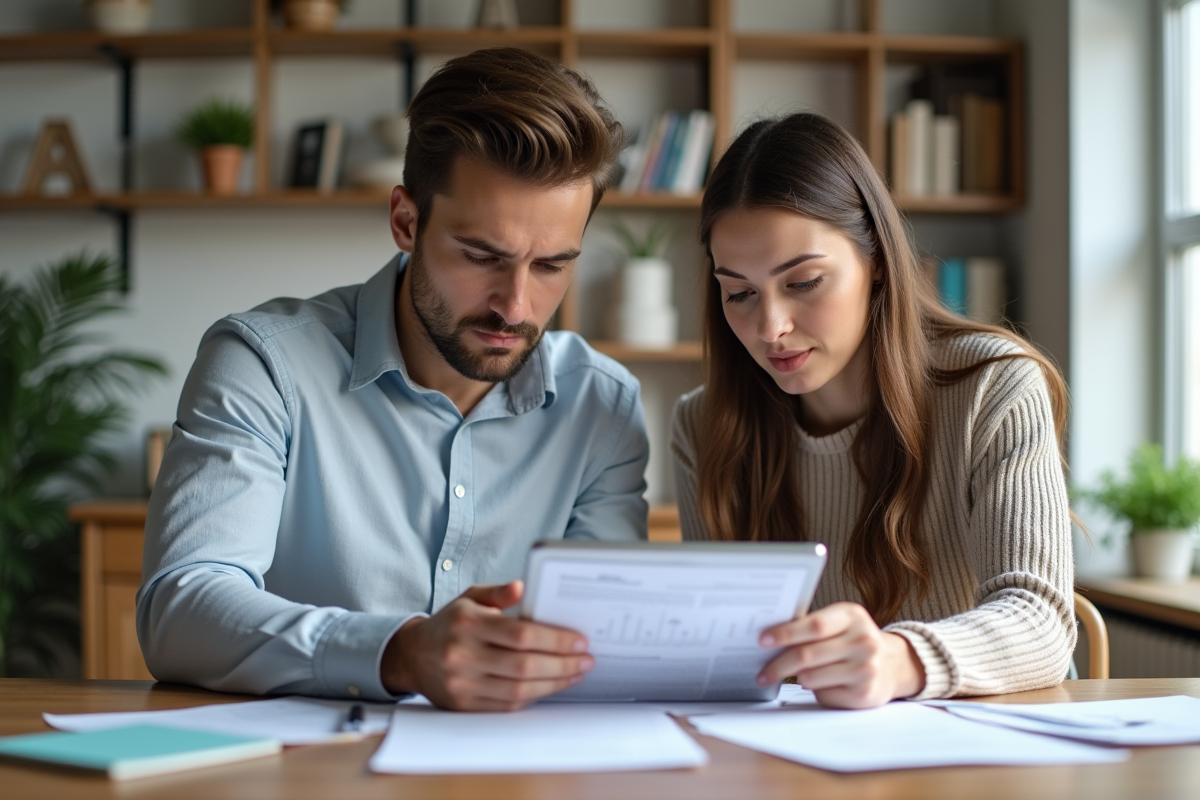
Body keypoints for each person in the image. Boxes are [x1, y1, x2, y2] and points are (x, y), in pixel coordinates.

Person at [138, 48, 650, 712]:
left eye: (552, 265)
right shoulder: (264, 365)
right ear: (406, 221)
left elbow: (603, 643)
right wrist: (399, 652)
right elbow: (180, 610)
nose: (516, 306)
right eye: (481, 256)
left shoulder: (602, 407)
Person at [671, 113, 1075, 709]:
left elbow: (1042, 620)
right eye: (739, 292)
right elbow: (722, 654)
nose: (770, 328)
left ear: (877, 260)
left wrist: (899, 660)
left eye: (804, 282)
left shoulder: (994, 386)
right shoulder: (704, 426)